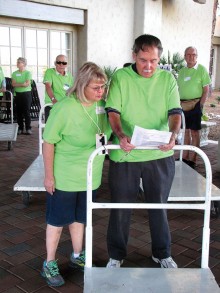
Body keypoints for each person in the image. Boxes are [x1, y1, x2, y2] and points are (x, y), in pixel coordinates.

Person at [105, 34, 182, 269]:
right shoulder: (120, 77)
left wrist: (173, 134)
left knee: (158, 206)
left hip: (158, 153)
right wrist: (120, 135)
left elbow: (175, 113)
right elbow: (113, 112)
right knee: (120, 207)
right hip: (126, 153)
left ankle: (162, 253)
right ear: (133, 56)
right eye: (143, 60)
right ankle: (116, 256)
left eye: (154, 61)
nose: (149, 66)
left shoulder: (167, 79)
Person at [41, 62, 111, 287]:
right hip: (65, 176)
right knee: (57, 220)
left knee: (80, 218)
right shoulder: (64, 108)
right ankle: (49, 262)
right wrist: (49, 176)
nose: (101, 92)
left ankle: (77, 255)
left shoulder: (101, 106)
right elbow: (48, 142)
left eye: (103, 87)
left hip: (90, 176)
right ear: (82, 85)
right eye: (96, 87)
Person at [177, 47, 211, 168]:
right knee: (185, 131)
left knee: (195, 132)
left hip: (196, 104)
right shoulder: (181, 71)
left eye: (194, 54)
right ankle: (185, 157)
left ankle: (193, 159)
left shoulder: (201, 70)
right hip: (183, 105)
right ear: (185, 56)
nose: (191, 57)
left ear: (197, 56)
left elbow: (206, 89)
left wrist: (200, 105)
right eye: (188, 54)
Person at [43, 54, 74, 121]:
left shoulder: (69, 76)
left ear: (66, 64)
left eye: (64, 63)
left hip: (65, 106)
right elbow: (48, 86)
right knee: (51, 129)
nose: (61, 65)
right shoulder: (50, 72)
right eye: (59, 62)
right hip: (52, 105)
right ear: (55, 63)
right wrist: (53, 99)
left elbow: (72, 90)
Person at [12, 57, 32, 135]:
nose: (17, 64)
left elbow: (27, 84)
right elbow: (13, 84)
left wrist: (19, 84)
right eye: (17, 62)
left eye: (19, 62)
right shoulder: (14, 73)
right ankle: (20, 128)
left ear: (23, 64)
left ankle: (28, 128)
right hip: (17, 94)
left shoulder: (28, 73)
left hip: (26, 94)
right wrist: (22, 84)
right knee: (19, 112)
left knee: (26, 111)